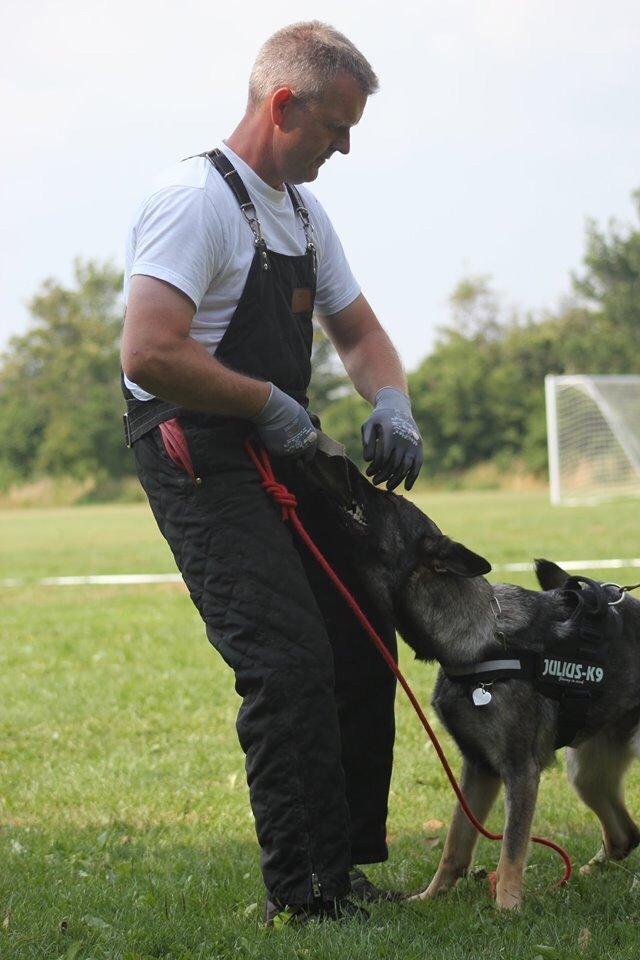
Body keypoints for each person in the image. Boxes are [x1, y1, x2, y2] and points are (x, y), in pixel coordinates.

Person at [120, 20, 423, 925]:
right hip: (198, 449)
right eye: (335, 127)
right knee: (287, 661)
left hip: (277, 438)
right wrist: (262, 402)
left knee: (365, 627)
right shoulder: (193, 200)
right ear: (282, 104)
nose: (343, 146)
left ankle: (346, 864)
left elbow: (361, 335)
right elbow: (148, 353)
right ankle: (305, 891)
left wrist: (390, 401)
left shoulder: (300, 209)